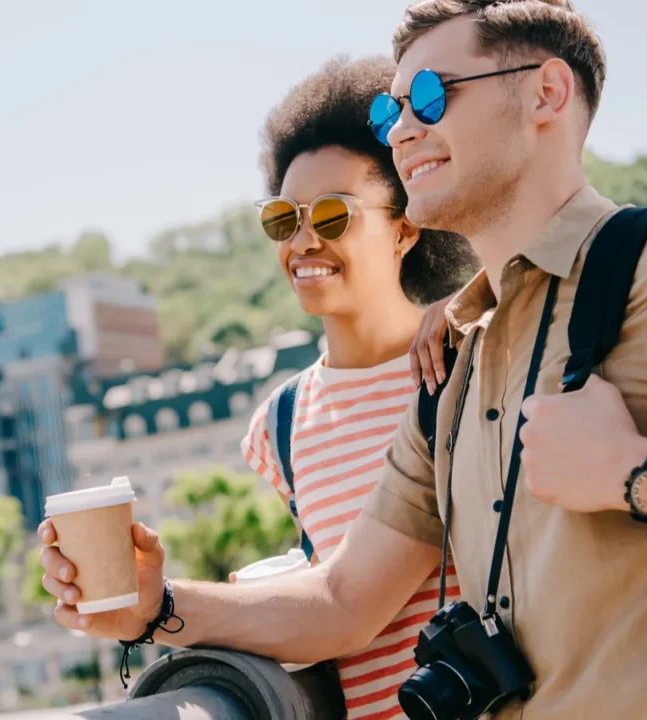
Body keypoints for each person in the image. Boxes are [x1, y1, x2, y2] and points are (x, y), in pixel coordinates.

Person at [40, 2, 647, 718]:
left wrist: (640, 476)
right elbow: (346, 601)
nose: (399, 130)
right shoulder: (452, 364)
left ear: (546, 94)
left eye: (429, 98)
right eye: (392, 109)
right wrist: (155, 607)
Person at [238, 55, 478, 719]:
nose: (304, 241)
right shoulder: (277, 425)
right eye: (284, 219)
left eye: (334, 216)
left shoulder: (470, 359)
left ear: (405, 227)